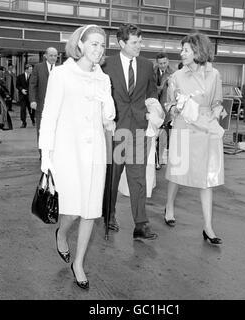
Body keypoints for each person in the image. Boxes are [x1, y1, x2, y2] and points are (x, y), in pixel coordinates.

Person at [38, 25, 115, 289]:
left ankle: (79, 262)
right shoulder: (62, 74)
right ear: (80, 45)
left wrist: (108, 110)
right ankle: (61, 233)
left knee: (90, 211)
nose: (98, 49)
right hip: (67, 152)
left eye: (102, 45)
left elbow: (108, 119)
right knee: (70, 211)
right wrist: (45, 155)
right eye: (93, 44)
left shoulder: (103, 79)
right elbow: (49, 117)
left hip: (95, 153)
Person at [164, 32, 224, 245]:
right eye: (182, 49)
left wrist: (214, 117)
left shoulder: (214, 74)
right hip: (184, 126)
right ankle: (169, 206)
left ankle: (208, 227)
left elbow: (217, 102)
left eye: (186, 50)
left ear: (198, 51)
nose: (182, 53)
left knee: (206, 178)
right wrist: (176, 106)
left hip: (206, 128)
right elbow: (168, 104)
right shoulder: (177, 76)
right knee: (177, 172)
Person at [102, 23, 158, 240]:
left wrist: (153, 112)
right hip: (115, 131)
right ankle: (108, 215)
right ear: (122, 43)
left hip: (137, 132)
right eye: (135, 42)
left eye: (140, 41)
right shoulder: (107, 64)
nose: (139, 46)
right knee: (112, 178)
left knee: (138, 179)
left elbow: (152, 94)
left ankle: (141, 224)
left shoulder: (146, 65)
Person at [29, 47, 58, 143]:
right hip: (41, 105)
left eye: (55, 56)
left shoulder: (60, 69)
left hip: (56, 107)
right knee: (41, 130)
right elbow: (32, 85)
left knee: (55, 131)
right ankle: (43, 155)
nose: (53, 58)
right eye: (51, 55)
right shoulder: (38, 67)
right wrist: (32, 100)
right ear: (45, 56)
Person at [154, 52, 175, 170]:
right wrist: (161, 86)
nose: (162, 65)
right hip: (153, 108)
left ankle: (160, 160)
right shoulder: (151, 72)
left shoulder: (173, 74)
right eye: (160, 63)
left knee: (164, 136)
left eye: (164, 63)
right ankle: (155, 159)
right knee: (153, 136)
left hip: (166, 111)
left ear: (168, 62)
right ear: (156, 63)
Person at [16, 64, 35, 128]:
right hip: (23, 96)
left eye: (32, 69)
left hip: (30, 96)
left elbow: (35, 85)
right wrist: (21, 90)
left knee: (31, 110)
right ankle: (23, 122)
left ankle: (33, 120)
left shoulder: (33, 76)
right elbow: (17, 85)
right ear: (26, 70)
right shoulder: (20, 76)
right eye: (30, 69)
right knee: (23, 109)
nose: (31, 70)